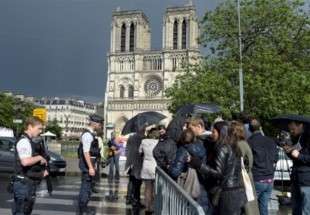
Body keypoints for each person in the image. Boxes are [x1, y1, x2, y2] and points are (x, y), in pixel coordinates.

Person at [189, 121, 246, 215]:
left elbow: (218, 173)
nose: (212, 134)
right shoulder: (234, 146)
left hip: (227, 193)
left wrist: (199, 165)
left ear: (221, 132)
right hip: (237, 190)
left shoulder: (223, 148)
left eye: (213, 132)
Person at [12, 116, 48, 215]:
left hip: (26, 183)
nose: (40, 131)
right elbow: (25, 162)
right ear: (30, 127)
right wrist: (40, 158)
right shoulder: (24, 141)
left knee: (25, 211)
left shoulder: (29, 141)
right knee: (22, 211)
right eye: (39, 128)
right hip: (23, 184)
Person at [247, 119, 277, 215]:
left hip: (257, 178)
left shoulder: (249, 142)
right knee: (264, 207)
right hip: (269, 179)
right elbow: (275, 158)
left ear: (249, 129)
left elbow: (246, 161)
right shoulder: (270, 141)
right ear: (260, 128)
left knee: (251, 208)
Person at [231, 121, 260, 215]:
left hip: (244, 178)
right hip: (245, 177)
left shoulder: (240, 144)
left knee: (248, 208)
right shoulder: (243, 143)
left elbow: (245, 164)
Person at [77, 114, 103, 215]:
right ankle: (83, 209)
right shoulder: (87, 135)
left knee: (88, 186)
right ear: (95, 123)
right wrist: (91, 167)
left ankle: (84, 208)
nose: (101, 126)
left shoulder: (91, 134)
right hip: (87, 165)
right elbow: (86, 152)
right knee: (86, 187)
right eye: (100, 124)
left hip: (90, 163)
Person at [283, 120, 310, 215]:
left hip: (306, 181)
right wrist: (289, 152)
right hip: (296, 179)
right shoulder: (298, 138)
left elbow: (303, 158)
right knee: (296, 209)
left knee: (306, 210)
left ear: (300, 125)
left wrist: (299, 156)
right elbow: (296, 158)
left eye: (293, 129)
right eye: (290, 129)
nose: (291, 131)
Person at [139, 128, 160, 215]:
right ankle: (154, 206)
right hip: (155, 166)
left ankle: (148, 207)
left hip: (146, 166)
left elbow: (140, 152)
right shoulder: (158, 142)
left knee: (147, 188)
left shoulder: (143, 141)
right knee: (155, 188)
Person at [125, 127, 145, 211]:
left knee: (131, 180)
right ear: (142, 130)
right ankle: (136, 200)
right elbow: (142, 151)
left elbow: (127, 149)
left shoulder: (130, 137)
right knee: (137, 183)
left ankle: (129, 198)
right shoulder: (142, 139)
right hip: (138, 163)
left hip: (130, 162)